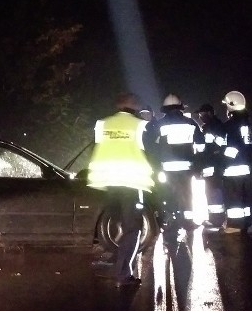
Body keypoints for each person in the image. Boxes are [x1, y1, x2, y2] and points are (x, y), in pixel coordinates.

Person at [88, 92, 155, 289]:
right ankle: (123, 274)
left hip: (108, 184)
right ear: (134, 106)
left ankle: (118, 264)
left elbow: (96, 149)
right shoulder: (139, 125)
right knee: (132, 229)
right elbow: (148, 153)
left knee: (113, 226)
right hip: (132, 183)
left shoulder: (103, 124)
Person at [151, 94, 205, 244]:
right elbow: (200, 146)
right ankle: (187, 222)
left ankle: (169, 221)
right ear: (180, 108)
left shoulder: (160, 125)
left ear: (165, 109)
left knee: (168, 195)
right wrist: (198, 165)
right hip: (186, 168)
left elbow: (152, 146)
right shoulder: (190, 123)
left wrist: (156, 164)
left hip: (166, 169)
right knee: (187, 195)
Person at [221, 90, 252, 233]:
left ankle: (235, 225)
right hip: (245, 166)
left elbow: (232, 147)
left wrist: (223, 162)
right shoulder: (245, 123)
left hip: (233, 167)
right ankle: (246, 222)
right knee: (243, 197)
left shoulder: (231, 125)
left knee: (234, 199)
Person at [195, 103, 227, 227]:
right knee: (211, 192)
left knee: (215, 192)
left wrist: (211, 136)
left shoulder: (216, 127)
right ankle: (215, 219)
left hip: (215, 165)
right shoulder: (208, 127)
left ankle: (216, 220)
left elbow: (220, 144)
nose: (200, 117)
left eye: (201, 114)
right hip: (209, 165)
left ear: (209, 113)